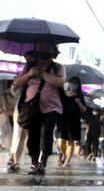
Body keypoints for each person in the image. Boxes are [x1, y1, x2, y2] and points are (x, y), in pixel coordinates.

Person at [14, 41, 66, 175]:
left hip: (52, 107)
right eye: (39, 47)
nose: (42, 50)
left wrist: (42, 74)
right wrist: (30, 74)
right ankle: (34, 162)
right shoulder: (30, 66)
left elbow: (60, 82)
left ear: (52, 50)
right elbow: (18, 83)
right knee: (33, 135)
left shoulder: (58, 67)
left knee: (47, 132)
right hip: (32, 106)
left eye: (46, 47)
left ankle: (43, 162)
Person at [9, 50, 37, 172]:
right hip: (22, 106)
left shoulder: (41, 69)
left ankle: (35, 161)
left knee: (29, 135)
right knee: (19, 134)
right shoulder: (25, 72)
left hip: (37, 106)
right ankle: (15, 160)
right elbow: (15, 92)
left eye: (30, 59)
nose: (28, 61)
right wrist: (16, 83)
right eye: (27, 59)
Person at [56, 76, 86, 167]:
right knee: (61, 140)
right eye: (72, 82)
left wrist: (79, 102)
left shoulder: (79, 96)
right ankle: (63, 154)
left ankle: (68, 161)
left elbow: (84, 109)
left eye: (75, 83)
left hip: (74, 120)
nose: (73, 84)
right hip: (62, 119)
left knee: (71, 141)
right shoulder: (63, 95)